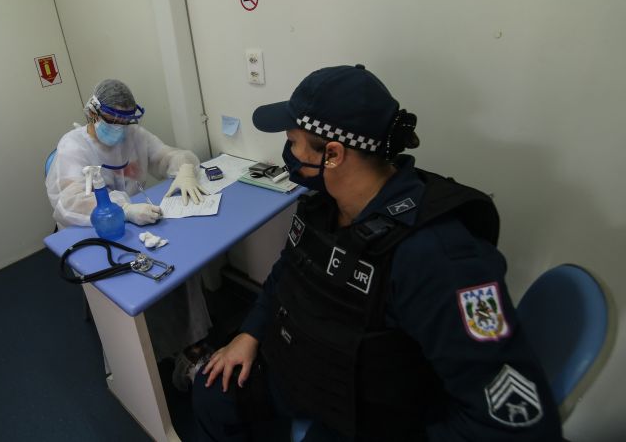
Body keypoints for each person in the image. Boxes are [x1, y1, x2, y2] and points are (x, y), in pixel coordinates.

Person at [192, 65, 562, 441]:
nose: (288, 152)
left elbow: (517, 426)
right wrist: (250, 333)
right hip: (307, 365)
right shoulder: (322, 205)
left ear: (333, 154)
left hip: (368, 409)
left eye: (293, 140)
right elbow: (289, 269)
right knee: (211, 395)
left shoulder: (438, 258)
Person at [46, 78, 211, 388]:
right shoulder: (74, 147)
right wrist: (123, 211)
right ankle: (144, 363)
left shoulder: (133, 135)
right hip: (91, 230)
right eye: (113, 120)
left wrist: (185, 167)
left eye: (126, 119)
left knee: (180, 264)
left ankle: (193, 346)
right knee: (139, 278)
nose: (120, 127)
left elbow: (167, 156)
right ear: (93, 114)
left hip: (137, 223)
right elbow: (69, 202)